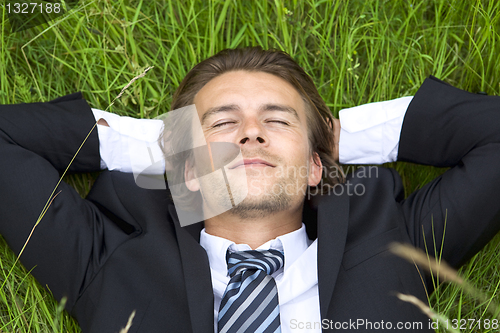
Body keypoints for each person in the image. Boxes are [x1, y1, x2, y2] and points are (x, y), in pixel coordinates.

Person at [0, 46, 499, 333]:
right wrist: (169, 145)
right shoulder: (108, 259)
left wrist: (335, 135)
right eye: (223, 123)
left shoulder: (396, 243)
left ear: (314, 168)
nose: (251, 133)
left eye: (277, 120)